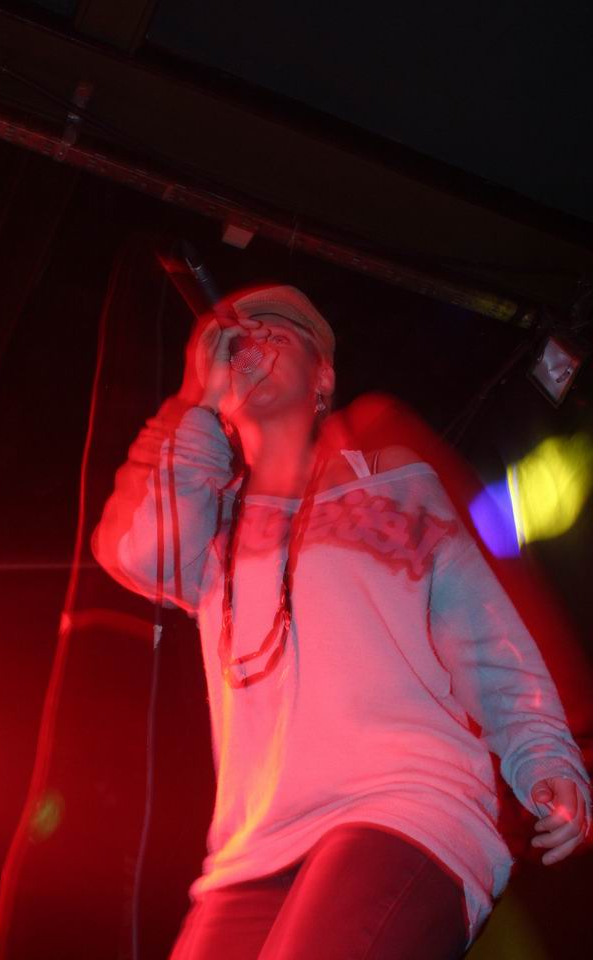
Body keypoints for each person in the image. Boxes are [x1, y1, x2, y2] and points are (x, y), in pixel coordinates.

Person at [92, 284, 590, 960]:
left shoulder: (390, 480)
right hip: (252, 847)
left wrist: (546, 756)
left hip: (408, 806)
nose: (256, 343)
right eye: (240, 339)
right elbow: (139, 554)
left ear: (323, 378)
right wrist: (193, 400)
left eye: (281, 333)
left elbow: (483, 634)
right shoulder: (211, 529)